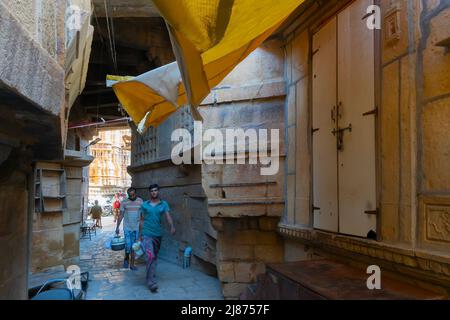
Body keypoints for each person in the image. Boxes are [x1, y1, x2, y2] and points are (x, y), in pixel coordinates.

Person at [138, 184, 175, 293]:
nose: (154, 192)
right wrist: (140, 234)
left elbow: (168, 216)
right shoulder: (144, 205)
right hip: (146, 234)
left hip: (157, 234)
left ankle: (150, 275)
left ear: (158, 191)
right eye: (152, 191)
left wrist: (172, 226)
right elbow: (141, 220)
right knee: (150, 256)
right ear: (150, 193)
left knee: (154, 258)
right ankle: (151, 282)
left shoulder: (163, 204)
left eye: (155, 190)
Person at [115, 187, 143, 270]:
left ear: (136, 193)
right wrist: (117, 227)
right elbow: (121, 215)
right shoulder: (124, 202)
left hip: (136, 228)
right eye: (130, 195)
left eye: (133, 195)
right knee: (128, 246)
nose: (132, 197)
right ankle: (126, 257)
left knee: (134, 246)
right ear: (128, 195)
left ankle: (132, 264)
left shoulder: (140, 201)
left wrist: (142, 228)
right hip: (127, 227)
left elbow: (142, 216)